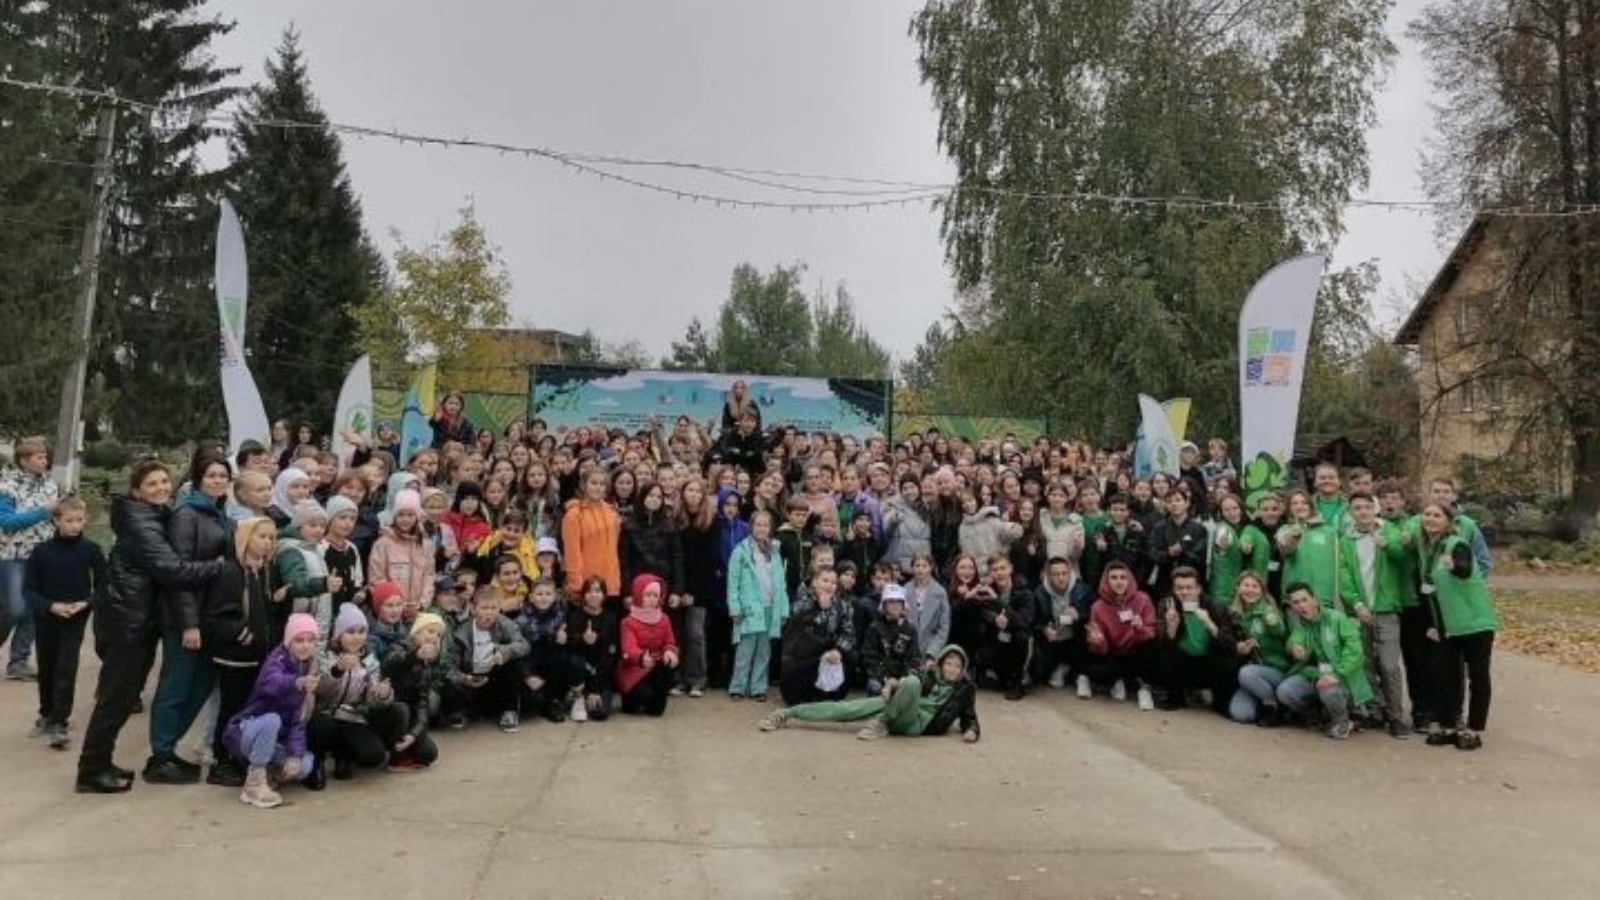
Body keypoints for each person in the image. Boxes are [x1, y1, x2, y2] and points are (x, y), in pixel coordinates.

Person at [76, 461, 226, 794]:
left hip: (136, 618)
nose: (160, 488)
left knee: (122, 696)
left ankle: (100, 763)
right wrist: (216, 566)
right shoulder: (140, 522)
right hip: (126, 621)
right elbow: (170, 569)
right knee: (115, 698)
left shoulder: (153, 514)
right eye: (151, 484)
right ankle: (90, 770)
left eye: (163, 481)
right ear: (136, 491)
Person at [758, 644, 980, 743]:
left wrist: (971, 732)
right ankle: (789, 714)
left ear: (963, 669)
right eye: (948, 663)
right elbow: (906, 680)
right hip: (899, 706)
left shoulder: (965, 688)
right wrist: (890, 685)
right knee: (848, 708)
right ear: (940, 664)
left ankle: (883, 721)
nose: (952, 669)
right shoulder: (929, 674)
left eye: (957, 666)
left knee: (909, 684)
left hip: (918, 724)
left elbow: (970, 717)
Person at [1416, 502, 1499, 751]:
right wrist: (1433, 625)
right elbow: (1430, 592)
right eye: (1427, 514)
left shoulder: (1456, 544)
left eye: (1437, 515)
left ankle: (1473, 729)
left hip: (1475, 623)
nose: (1431, 518)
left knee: (1478, 677)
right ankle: (1449, 725)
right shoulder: (1430, 551)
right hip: (1448, 626)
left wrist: (1455, 566)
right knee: (1446, 676)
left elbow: (1464, 568)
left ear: (1448, 522)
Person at [23, 495, 103, 749]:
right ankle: (46, 714)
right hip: (46, 617)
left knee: (66, 667)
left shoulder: (91, 550)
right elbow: (29, 590)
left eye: (79, 520)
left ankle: (60, 722)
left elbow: (105, 585)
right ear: (56, 521)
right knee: (47, 666)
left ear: (86, 519)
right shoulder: (41, 552)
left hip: (75, 617)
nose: (75, 525)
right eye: (69, 520)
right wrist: (50, 606)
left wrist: (86, 603)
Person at [222, 612, 321, 808]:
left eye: (311, 640)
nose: (306, 645)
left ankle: (270, 774)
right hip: (246, 733)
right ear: (288, 642)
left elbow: (298, 720)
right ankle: (254, 785)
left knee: (305, 765)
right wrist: (296, 683)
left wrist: (294, 756)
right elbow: (272, 683)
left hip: (275, 742)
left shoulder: (305, 667)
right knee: (272, 720)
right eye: (299, 640)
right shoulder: (276, 661)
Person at [307, 603, 404, 787]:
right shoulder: (325, 656)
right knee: (322, 726)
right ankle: (317, 762)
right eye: (350, 632)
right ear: (339, 635)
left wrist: (382, 694)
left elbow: (372, 701)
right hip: (324, 714)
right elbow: (319, 689)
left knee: (373, 755)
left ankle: (343, 755)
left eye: (361, 631)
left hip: (352, 717)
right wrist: (338, 670)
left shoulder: (369, 659)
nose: (356, 637)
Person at [1344, 492, 1411, 737]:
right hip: (1361, 611)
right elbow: (1344, 576)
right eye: (1357, 508)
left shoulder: (1389, 530)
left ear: (1375, 509)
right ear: (1351, 512)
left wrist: (1386, 544)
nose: (1363, 511)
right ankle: (1375, 710)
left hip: (1386, 609)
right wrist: (1356, 604)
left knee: (1389, 665)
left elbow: (1400, 554)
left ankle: (1396, 716)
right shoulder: (1346, 539)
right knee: (1365, 664)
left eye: (1367, 507)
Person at [1278, 582, 1373, 740]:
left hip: (1344, 680)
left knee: (1329, 690)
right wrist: (1295, 647)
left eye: (1304, 600)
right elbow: (1296, 638)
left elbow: (1355, 651)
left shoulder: (1337, 618)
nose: (1301, 606)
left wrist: (1337, 674)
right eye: (1296, 602)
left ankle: (1342, 723)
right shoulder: (1301, 624)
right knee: (1285, 690)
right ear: (1292, 607)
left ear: (1315, 600)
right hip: (1319, 677)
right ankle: (1318, 715)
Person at [1, 436, 59, 681]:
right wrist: (43, 512)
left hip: (41, 557)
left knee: (35, 610)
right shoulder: (7, 486)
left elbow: (55, 520)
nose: (45, 461)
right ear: (24, 460)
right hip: (12, 556)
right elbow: (7, 522)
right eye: (39, 457)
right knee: (14, 610)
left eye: (45, 457)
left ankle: (19, 662)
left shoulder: (50, 486)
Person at [1153, 566, 1240, 714]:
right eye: (1179, 588)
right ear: (1173, 589)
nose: (1184, 592)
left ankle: (1220, 701)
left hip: (1209, 661)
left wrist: (1210, 624)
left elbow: (1229, 644)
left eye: (1189, 588)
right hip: (1183, 663)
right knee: (1164, 655)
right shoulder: (1168, 606)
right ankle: (1175, 697)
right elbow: (1162, 644)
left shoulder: (1216, 606)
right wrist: (1171, 627)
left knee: (1229, 662)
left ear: (1198, 589)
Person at [726, 510, 788, 701]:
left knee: (764, 651)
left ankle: (758, 688)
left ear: (770, 528)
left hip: (770, 608)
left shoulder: (775, 552)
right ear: (751, 527)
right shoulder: (740, 551)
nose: (762, 528)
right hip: (749, 609)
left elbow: (781, 583)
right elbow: (732, 583)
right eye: (758, 525)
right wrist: (735, 608)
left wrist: (783, 610)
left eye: (766, 525)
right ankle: (738, 686)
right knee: (745, 651)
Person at [450, 587, 530, 732]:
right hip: (472, 678)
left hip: (495, 675)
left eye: (493, 608)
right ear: (473, 609)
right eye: (484, 608)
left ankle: (509, 712)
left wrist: (504, 652)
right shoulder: (461, 633)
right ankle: (460, 711)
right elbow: (450, 667)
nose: (489, 613)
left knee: (514, 662)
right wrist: (464, 678)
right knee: (451, 681)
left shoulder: (504, 623)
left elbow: (524, 645)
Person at [1083, 561, 1158, 710]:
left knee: (1153, 651)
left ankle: (1143, 688)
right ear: (1107, 581)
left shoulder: (1143, 599)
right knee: (1097, 669)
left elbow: (1152, 631)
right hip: (1114, 654)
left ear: (1129, 579)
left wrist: (1140, 629)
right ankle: (1117, 681)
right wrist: (1099, 642)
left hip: (1137, 651)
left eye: (1123, 577)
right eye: (1114, 578)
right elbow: (1099, 648)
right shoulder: (1098, 607)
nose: (1119, 582)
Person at [779, 565, 854, 706]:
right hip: (800, 659)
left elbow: (849, 634)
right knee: (795, 698)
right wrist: (816, 605)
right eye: (825, 581)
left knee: (835, 694)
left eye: (833, 582)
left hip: (827, 657)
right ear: (814, 582)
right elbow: (795, 618)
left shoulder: (843, 605)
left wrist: (838, 650)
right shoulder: (802, 601)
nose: (829, 586)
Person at [1225, 572, 1293, 726]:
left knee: (1246, 673)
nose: (1250, 590)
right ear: (1238, 588)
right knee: (1241, 714)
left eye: (1255, 586)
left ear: (1262, 591)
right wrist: (1241, 647)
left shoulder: (1267, 610)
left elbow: (1280, 631)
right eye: (1246, 585)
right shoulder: (1235, 614)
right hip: (1254, 675)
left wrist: (1272, 622)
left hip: (1276, 670)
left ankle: (1272, 706)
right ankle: (1265, 701)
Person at [672, 476, 717, 696]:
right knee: (676, 634)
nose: (694, 494)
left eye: (698, 491)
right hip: (676, 586)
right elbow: (674, 556)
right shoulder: (674, 519)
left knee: (695, 635)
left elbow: (708, 560)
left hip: (699, 589)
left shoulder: (711, 520)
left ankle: (697, 679)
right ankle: (677, 679)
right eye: (690, 490)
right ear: (683, 493)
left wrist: (692, 591)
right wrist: (678, 590)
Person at [615, 574, 680, 716]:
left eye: (655, 595)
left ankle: (655, 701)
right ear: (639, 595)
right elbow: (628, 648)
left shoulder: (664, 619)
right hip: (634, 669)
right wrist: (641, 657)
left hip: (656, 668)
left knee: (656, 710)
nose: (652, 599)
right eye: (648, 595)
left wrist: (670, 651)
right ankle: (629, 699)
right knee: (640, 699)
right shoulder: (627, 622)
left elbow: (670, 642)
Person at [369, 489, 436, 619]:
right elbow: (377, 578)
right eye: (401, 515)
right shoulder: (382, 544)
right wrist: (396, 605)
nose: (405, 520)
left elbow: (429, 576)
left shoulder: (425, 544)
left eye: (410, 515)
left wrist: (422, 604)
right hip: (391, 611)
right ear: (394, 516)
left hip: (418, 610)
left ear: (417, 516)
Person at [515, 577, 574, 722]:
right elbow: (518, 651)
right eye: (539, 594)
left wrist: (564, 638)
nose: (544, 598)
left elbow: (568, 640)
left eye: (548, 594)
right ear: (531, 597)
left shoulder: (561, 614)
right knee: (528, 704)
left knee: (563, 656)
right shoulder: (522, 619)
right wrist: (527, 675)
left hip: (550, 660)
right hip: (530, 661)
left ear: (555, 596)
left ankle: (552, 701)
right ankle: (530, 697)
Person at [1032, 556, 1091, 695]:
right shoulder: (1040, 592)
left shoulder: (1081, 589)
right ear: (1049, 576)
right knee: (1041, 673)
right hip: (1053, 639)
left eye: (1064, 573)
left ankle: (1081, 676)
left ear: (1070, 573)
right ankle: (1062, 666)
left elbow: (1092, 614)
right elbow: (1036, 619)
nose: (1061, 578)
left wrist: (1078, 614)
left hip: (1076, 638)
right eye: (1056, 574)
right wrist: (1044, 628)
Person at [561, 468, 622, 603]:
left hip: (611, 583)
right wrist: (576, 585)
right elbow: (572, 553)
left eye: (602, 484)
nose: (598, 487)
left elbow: (615, 550)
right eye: (594, 483)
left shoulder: (612, 513)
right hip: (587, 586)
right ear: (584, 485)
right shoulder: (574, 515)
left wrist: (616, 582)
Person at [977, 555, 1033, 700]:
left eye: (1002, 568)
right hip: (997, 639)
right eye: (995, 570)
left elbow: (1024, 622)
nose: (999, 573)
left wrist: (997, 600)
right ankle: (998, 675)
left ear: (1011, 569)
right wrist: (994, 618)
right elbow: (983, 611)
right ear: (990, 573)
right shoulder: (987, 590)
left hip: (1017, 641)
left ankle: (1018, 682)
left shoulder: (1025, 592)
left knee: (1022, 636)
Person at [567, 576, 620, 721]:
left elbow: (610, 655)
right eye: (589, 591)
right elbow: (569, 646)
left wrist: (595, 690)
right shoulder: (575, 616)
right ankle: (578, 696)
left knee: (600, 713)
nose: (593, 595)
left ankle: (590, 695)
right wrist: (583, 639)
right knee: (574, 660)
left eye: (597, 591)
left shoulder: (610, 618)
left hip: (601, 675)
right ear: (584, 595)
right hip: (581, 671)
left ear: (604, 595)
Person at [860, 584, 920, 697]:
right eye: (891, 602)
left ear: (903, 605)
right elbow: (869, 658)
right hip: (880, 677)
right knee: (874, 686)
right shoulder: (874, 628)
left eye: (898, 602)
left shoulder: (910, 629)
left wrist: (902, 680)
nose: (895, 605)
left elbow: (914, 658)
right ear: (884, 604)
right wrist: (886, 679)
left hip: (903, 678)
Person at [903, 554, 950, 665]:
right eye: (917, 565)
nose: (921, 570)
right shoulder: (904, 590)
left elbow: (944, 627)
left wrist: (932, 653)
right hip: (907, 650)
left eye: (924, 566)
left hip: (930, 650)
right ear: (912, 568)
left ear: (931, 568)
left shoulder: (940, 592)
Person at [882, 475, 930, 573]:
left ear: (918, 488)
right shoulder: (893, 506)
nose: (909, 491)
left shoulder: (926, 507)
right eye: (905, 489)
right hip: (899, 567)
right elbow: (885, 527)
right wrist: (893, 520)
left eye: (912, 487)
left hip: (920, 567)